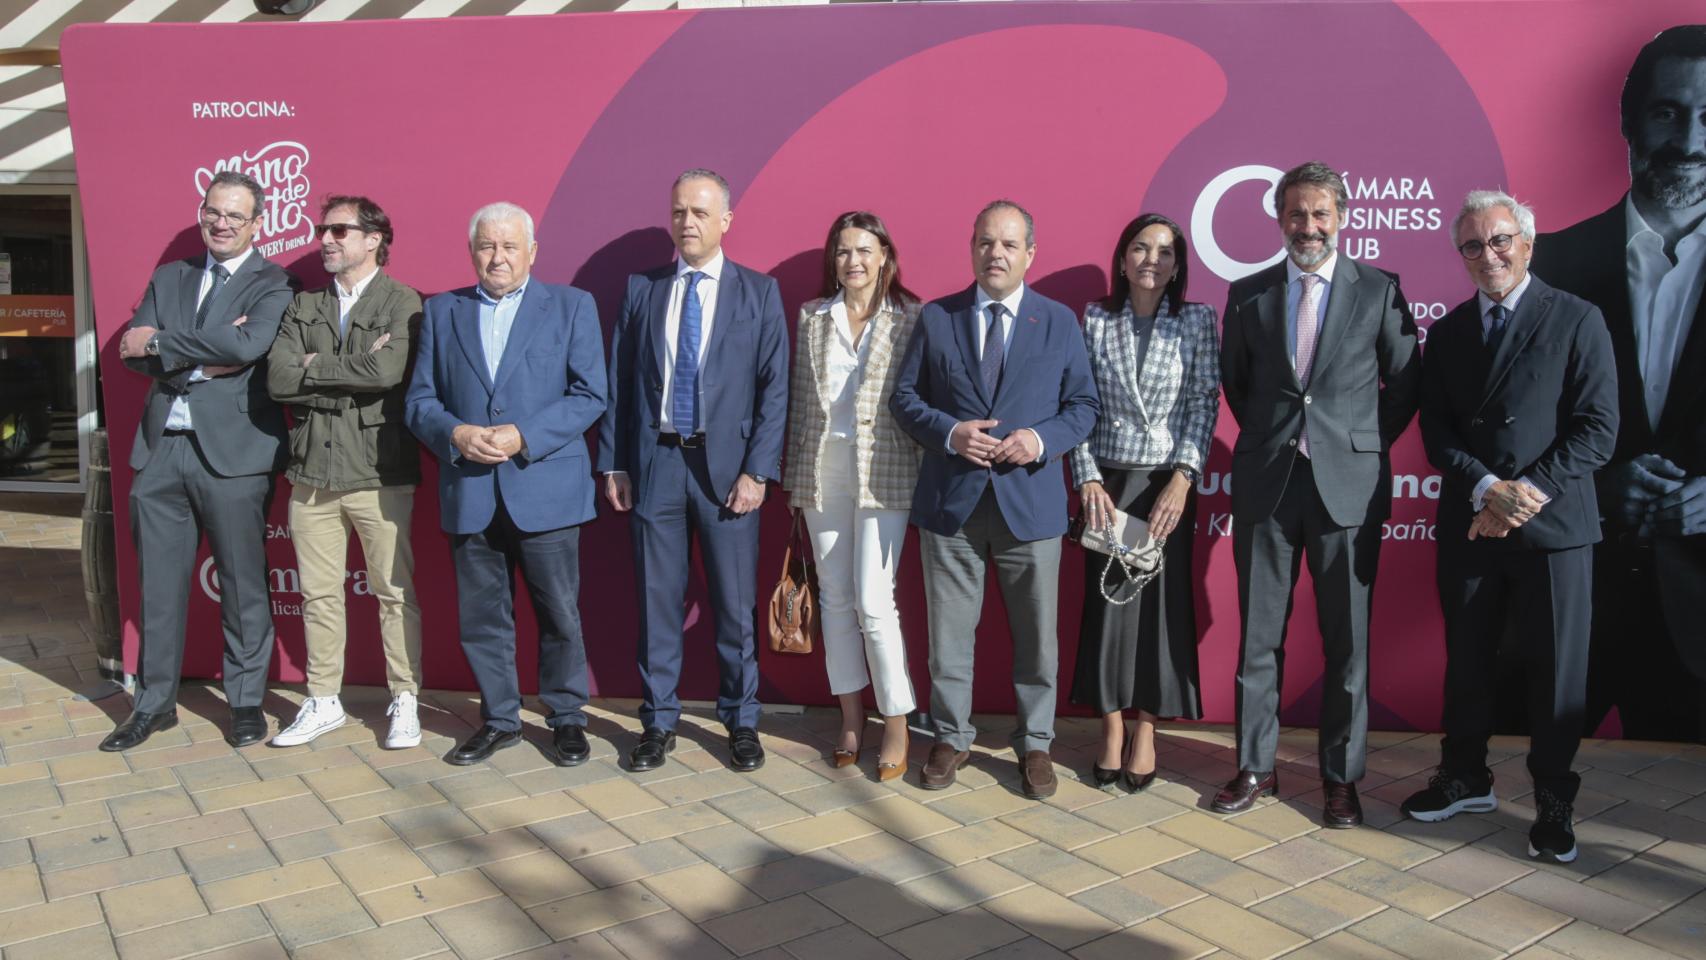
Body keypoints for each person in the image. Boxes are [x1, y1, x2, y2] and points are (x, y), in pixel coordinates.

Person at [1409, 190, 1617, 863]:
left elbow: (1598, 429)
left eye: (1499, 240)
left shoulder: (1577, 318)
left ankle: (1554, 803)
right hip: (1472, 522)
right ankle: (1464, 776)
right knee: (1468, 660)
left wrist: (1522, 494)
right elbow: (1435, 429)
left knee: (1556, 673)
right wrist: (1484, 489)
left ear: (1528, 243)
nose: (1487, 254)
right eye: (1472, 245)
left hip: (1553, 529)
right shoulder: (1446, 334)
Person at [1215, 161, 1421, 827]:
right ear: (1280, 220)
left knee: (1348, 643)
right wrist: (1283, 439)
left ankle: (1341, 779)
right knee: (1258, 639)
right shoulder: (1248, 293)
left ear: (1343, 217)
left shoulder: (1379, 290)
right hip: (1269, 486)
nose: (1309, 226)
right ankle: (1255, 766)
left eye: (1320, 213)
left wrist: (1356, 443)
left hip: (1348, 491)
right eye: (1297, 214)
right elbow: (1239, 385)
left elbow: (1406, 385)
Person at [890, 200, 1099, 798]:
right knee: (950, 637)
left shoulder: (1057, 322)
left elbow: (1082, 407)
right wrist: (950, 433)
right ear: (972, 247)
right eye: (985, 242)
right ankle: (951, 737)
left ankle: (1036, 745)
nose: (996, 254)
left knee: (1038, 640)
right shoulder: (937, 318)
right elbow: (905, 400)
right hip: (951, 507)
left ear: (1030, 253)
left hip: (1029, 508)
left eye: (1009, 245)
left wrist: (1038, 440)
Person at [1534, 25, 1706, 744]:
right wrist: (1593, 488)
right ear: (1629, 121)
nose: (1691, 139)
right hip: (1568, 599)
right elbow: (1496, 429)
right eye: (1669, 112)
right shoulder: (1547, 266)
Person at [597, 169, 789, 773]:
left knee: (734, 607)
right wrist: (616, 461)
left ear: (726, 220)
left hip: (729, 472)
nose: (688, 223)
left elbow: (774, 389)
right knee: (658, 603)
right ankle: (657, 723)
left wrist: (758, 472)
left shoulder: (758, 292)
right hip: (656, 463)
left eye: (701, 212)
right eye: (679, 211)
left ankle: (741, 720)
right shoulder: (643, 289)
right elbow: (620, 381)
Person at [403, 202, 608, 766]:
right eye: (487, 246)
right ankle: (499, 719)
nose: (498, 257)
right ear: (472, 252)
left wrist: (524, 435)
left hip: (544, 489)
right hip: (470, 489)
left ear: (532, 252)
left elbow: (591, 394)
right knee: (482, 618)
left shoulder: (570, 307)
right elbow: (420, 401)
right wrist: (457, 433)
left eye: (509, 246)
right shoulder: (442, 312)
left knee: (559, 614)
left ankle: (567, 718)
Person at [106, 171, 295, 752]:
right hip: (162, 449)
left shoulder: (273, 282)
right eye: (213, 211)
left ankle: (244, 703)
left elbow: (245, 347)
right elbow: (130, 351)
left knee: (242, 583)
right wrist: (195, 345)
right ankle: (154, 704)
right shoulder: (172, 275)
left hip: (235, 456)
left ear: (257, 224)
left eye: (236, 216)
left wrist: (164, 340)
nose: (221, 223)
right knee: (159, 587)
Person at [266, 195, 426, 750]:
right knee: (318, 595)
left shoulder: (401, 300)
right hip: (311, 473)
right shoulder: (303, 304)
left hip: (379, 473)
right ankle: (323, 700)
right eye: (321, 230)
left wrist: (315, 367)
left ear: (373, 238)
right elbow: (279, 379)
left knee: (393, 593)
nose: (326, 240)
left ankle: (405, 698)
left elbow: (386, 371)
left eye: (339, 230)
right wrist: (333, 373)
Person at [1069, 213, 1220, 793]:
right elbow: (1077, 403)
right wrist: (1087, 478)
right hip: (1109, 485)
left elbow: (1204, 403)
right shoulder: (1095, 319)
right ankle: (1110, 728)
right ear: (1122, 258)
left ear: (1178, 265)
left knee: (1161, 614)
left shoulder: (1199, 321)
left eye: (1163, 251)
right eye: (1139, 247)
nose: (1150, 259)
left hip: (1167, 488)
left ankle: (1147, 731)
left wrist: (1185, 477)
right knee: (1108, 611)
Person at [783, 211, 922, 781]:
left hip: (885, 469)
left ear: (885, 255)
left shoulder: (912, 318)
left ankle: (896, 720)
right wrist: (794, 479)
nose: (853, 261)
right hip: (823, 471)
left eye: (864, 250)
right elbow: (799, 402)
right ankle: (849, 716)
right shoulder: (813, 317)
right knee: (836, 597)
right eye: (843, 251)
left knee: (873, 599)